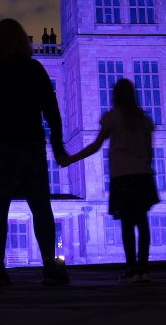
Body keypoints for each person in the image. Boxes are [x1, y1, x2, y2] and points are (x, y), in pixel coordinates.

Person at [0, 18, 70, 286]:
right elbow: (52, 112)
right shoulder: (34, 69)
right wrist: (58, 145)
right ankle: (48, 264)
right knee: (40, 205)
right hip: (28, 142)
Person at [63, 78, 159, 283]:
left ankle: (131, 268)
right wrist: (146, 169)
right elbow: (149, 151)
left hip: (122, 176)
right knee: (142, 222)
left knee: (127, 224)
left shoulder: (112, 117)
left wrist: (72, 159)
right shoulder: (142, 118)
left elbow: (96, 146)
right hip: (142, 176)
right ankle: (144, 268)